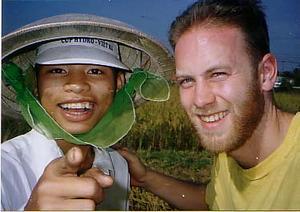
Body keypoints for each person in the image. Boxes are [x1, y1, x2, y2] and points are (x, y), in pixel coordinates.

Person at [118, 0, 300, 210]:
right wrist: (146, 178)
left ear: (265, 73)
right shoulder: (229, 151)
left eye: (218, 74)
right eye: (187, 80)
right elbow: (212, 201)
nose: (201, 100)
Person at [1, 15, 171, 210]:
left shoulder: (118, 165)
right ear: (35, 84)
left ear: (118, 83)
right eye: (57, 70)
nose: (77, 85)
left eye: (95, 71)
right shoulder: (6, 167)